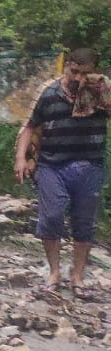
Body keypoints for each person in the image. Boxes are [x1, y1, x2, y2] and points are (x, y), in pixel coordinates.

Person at [14, 48, 111, 300]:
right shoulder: (50, 93)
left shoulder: (101, 93)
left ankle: (77, 275)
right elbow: (29, 127)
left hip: (90, 165)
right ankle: (54, 272)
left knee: (84, 223)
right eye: (74, 71)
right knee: (52, 215)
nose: (78, 78)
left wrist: (100, 93)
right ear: (67, 66)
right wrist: (21, 158)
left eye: (85, 74)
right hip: (52, 165)